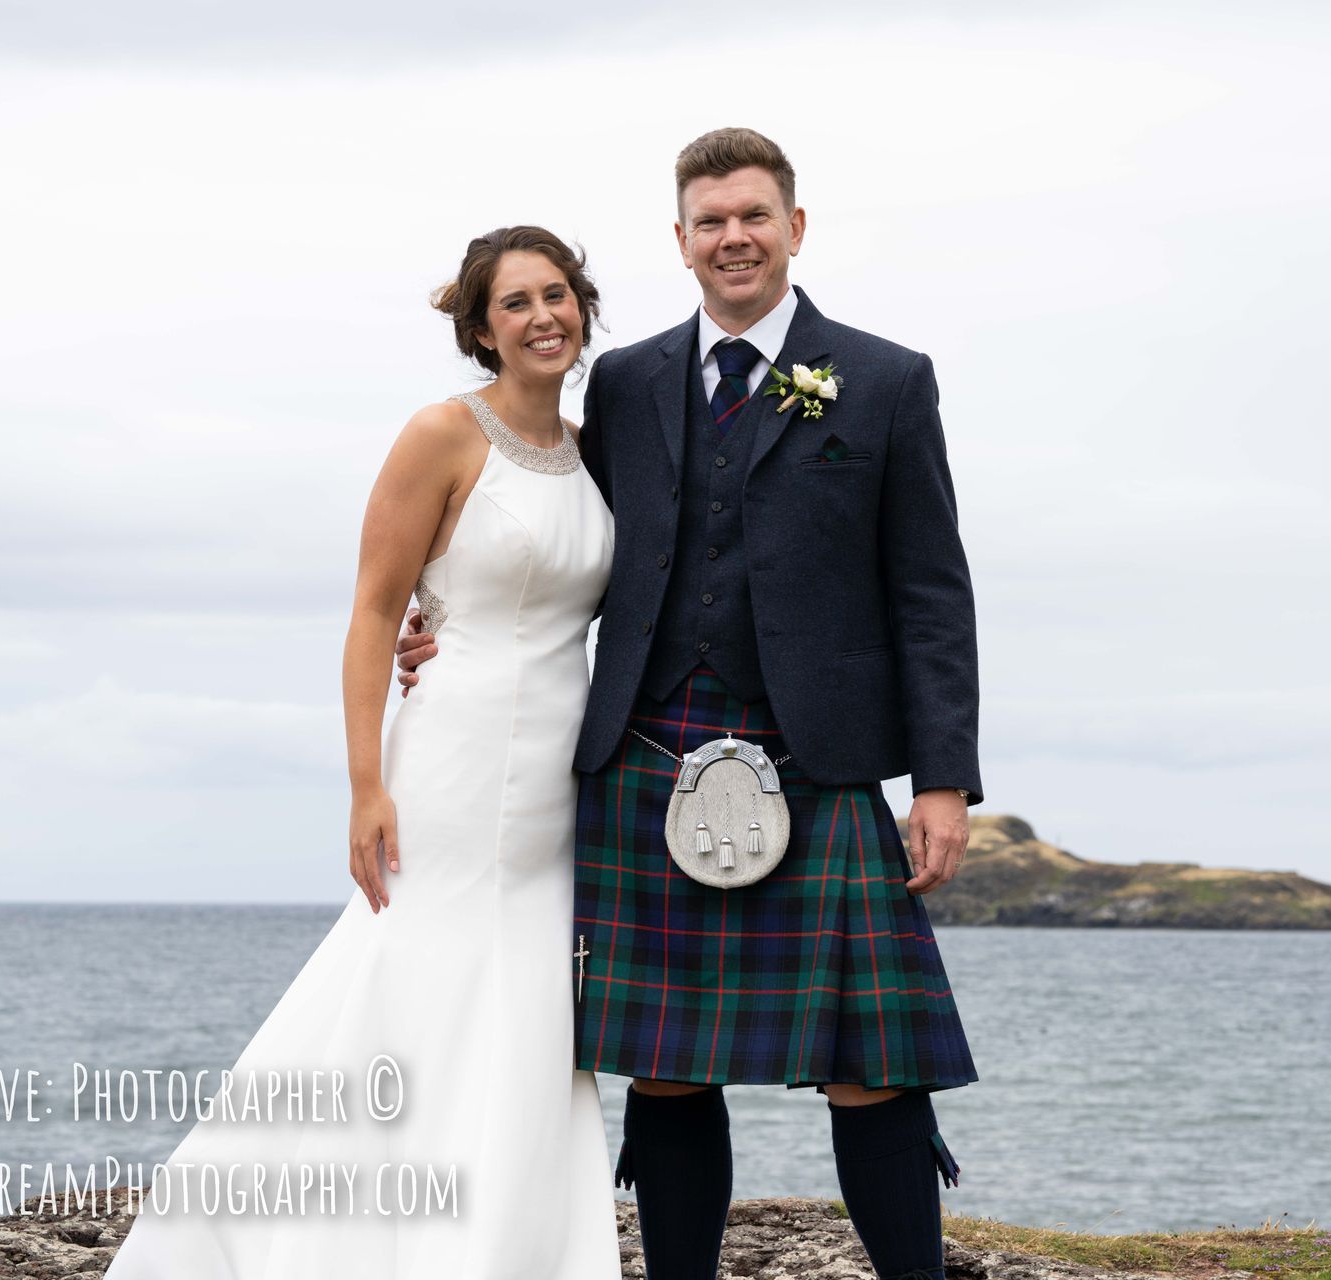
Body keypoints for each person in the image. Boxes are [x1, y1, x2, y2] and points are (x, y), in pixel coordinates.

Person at [399, 128, 981, 1280]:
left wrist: (944, 780)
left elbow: (931, 591)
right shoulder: (623, 381)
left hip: (818, 756)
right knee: (666, 1064)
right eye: (711, 221)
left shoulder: (885, 380)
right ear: (680, 240)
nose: (734, 238)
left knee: (873, 1064)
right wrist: (446, 613)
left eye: (754, 215)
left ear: (795, 227)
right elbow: (556, 530)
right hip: (645, 746)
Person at [106, 227, 621, 1279]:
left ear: (583, 305)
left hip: (560, 773)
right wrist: (365, 784)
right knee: (414, 965)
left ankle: (507, 1245)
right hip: (453, 753)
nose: (542, 317)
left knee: (527, 992)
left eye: (556, 294)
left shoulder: (594, 451)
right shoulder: (441, 434)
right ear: (481, 329)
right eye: (515, 302)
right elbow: (376, 612)